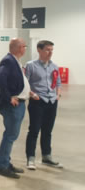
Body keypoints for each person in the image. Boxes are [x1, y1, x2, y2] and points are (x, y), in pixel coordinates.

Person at [0, 38, 33, 179]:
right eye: (24, 46)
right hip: (12, 106)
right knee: (10, 136)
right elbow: (0, 78)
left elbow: (17, 81)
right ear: (19, 48)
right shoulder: (8, 60)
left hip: (20, 104)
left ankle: (6, 162)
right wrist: (9, 97)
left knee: (11, 135)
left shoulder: (15, 60)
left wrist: (29, 92)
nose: (25, 48)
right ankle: (3, 166)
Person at [24, 40, 63, 170]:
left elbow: (58, 83)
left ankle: (46, 156)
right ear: (39, 50)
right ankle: (30, 158)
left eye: (51, 50)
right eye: (47, 49)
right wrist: (32, 94)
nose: (50, 52)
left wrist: (57, 95)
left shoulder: (54, 66)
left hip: (52, 102)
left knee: (48, 131)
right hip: (38, 101)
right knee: (34, 130)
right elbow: (24, 83)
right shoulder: (30, 65)